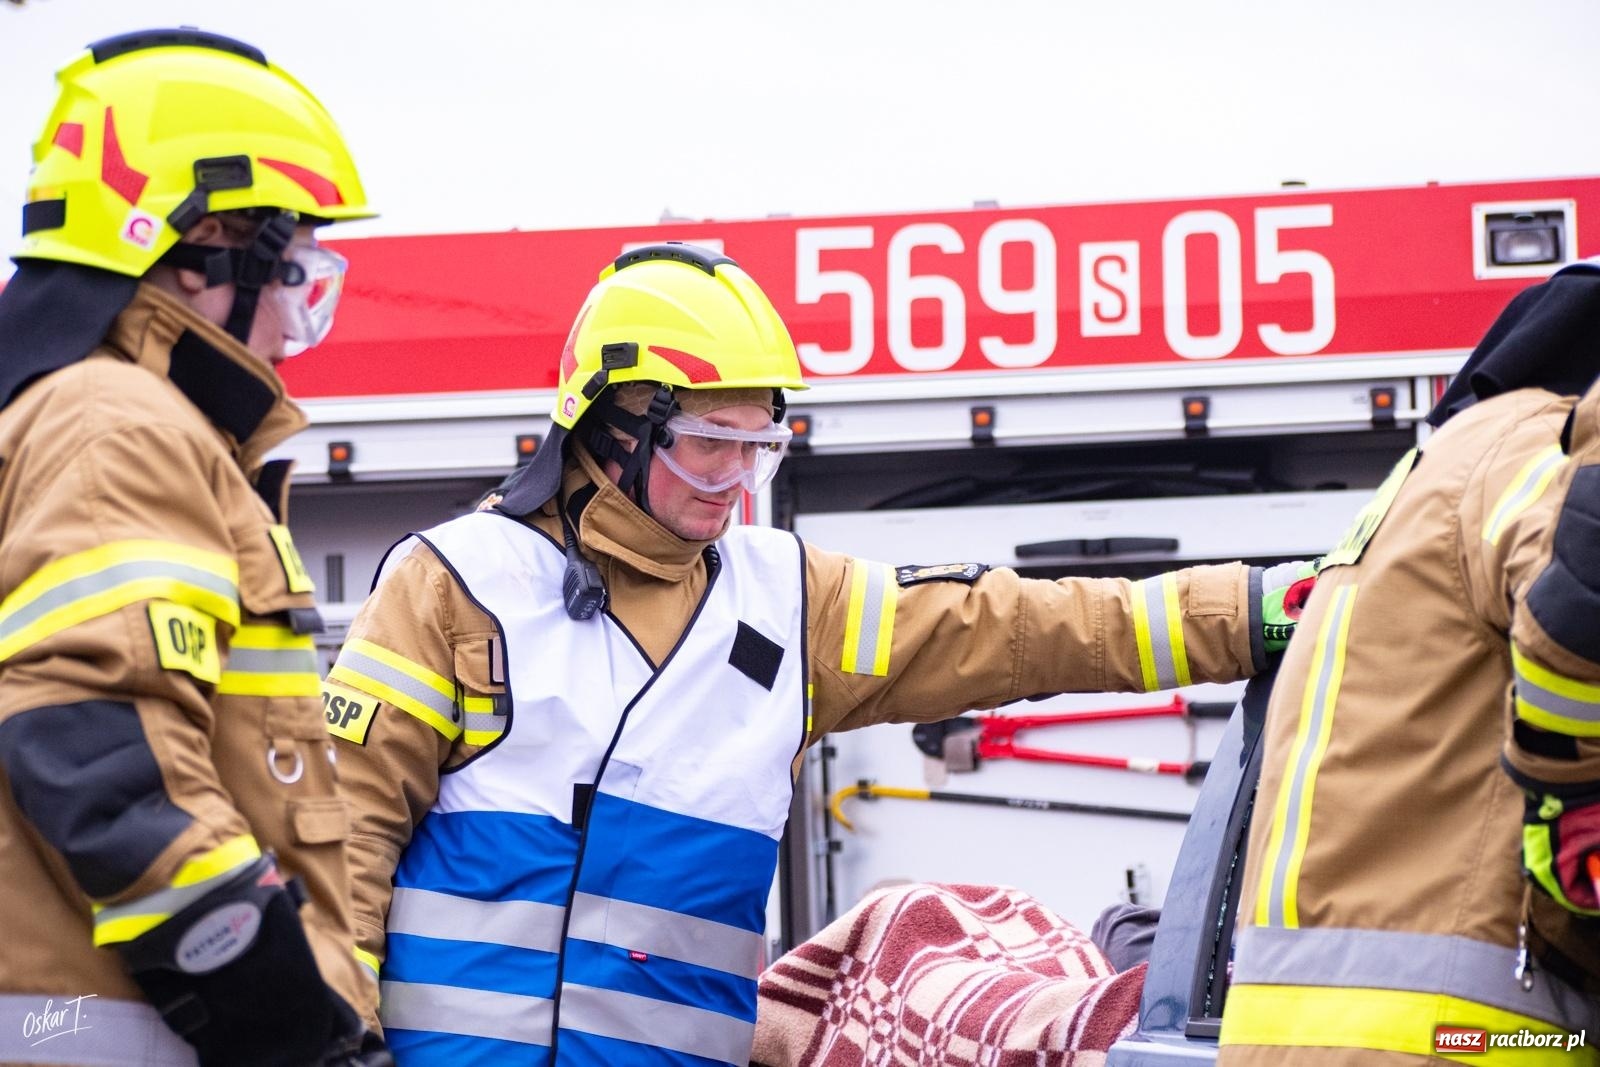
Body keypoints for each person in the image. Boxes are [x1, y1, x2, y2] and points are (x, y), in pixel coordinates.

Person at [322, 241, 1311, 1066]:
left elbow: (1017, 626)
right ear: (611, 421)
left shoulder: (788, 600)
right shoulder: (454, 582)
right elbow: (341, 846)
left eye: (759, 446)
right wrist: (335, 1043)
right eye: (708, 441)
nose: (735, 479)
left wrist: (1252, 609)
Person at [0, 29, 390, 1067]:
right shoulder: (117, 423)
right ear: (202, 246)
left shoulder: (94, 415)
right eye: (295, 271)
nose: (295, 325)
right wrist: (290, 1022)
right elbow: (102, 751)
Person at [1218, 262, 1600, 1065]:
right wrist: (1578, 818)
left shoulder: (1420, 483)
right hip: (1466, 1034)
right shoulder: (1530, 448)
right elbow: (1580, 602)